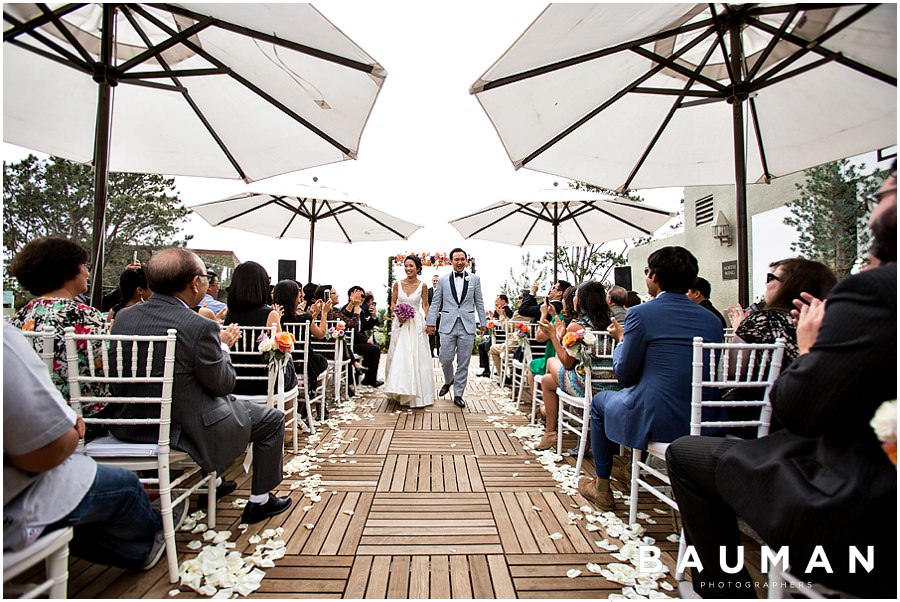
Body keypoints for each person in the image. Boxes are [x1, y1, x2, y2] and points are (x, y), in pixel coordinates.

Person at [665, 164, 897, 598]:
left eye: (885, 192)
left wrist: (811, 348)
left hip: (860, 508)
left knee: (685, 453)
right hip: (790, 435)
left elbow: (797, 410)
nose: (872, 209)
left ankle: (725, 590)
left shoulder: (868, 295)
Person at [110, 248, 292, 524]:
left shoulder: (124, 318)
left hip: (130, 424)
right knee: (273, 419)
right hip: (183, 428)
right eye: (206, 277)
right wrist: (223, 347)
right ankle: (260, 500)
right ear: (195, 283)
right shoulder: (198, 325)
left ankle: (216, 483)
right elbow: (224, 384)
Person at [3, 322, 177, 571]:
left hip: (85, 415)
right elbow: (44, 452)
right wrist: (72, 428)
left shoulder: (22, 318)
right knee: (126, 486)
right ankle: (156, 529)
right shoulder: (85, 320)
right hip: (23, 490)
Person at [578, 246, 723, 509]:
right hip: (706, 422)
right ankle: (628, 466)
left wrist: (621, 340)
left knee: (599, 404)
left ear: (654, 277)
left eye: (647, 271)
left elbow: (624, 374)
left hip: (657, 418)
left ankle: (601, 487)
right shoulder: (712, 321)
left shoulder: (641, 314)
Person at [9, 237, 108, 417]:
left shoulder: (21, 316)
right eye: (84, 265)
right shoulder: (85, 315)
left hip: (31, 413)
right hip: (81, 415)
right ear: (68, 270)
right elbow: (105, 370)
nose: (87, 272)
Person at [534, 281, 612, 450]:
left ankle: (549, 427)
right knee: (548, 380)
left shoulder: (577, 326)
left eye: (576, 296)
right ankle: (549, 429)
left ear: (582, 300)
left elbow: (568, 364)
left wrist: (554, 336)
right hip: (613, 386)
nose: (573, 299)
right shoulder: (612, 325)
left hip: (587, 386)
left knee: (550, 362)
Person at [727, 258, 836, 367]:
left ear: (790, 286)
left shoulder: (764, 321)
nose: (766, 283)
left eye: (771, 278)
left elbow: (732, 370)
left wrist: (742, 330)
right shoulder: (833, 323)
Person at [223, 262, 298, 397]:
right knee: (289, 365)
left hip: (233, 383)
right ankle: (287, 416)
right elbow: (284, 351)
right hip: (265, 384)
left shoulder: (228, 315)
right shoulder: (270, 314)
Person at [426, 248, 485, 408]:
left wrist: (483, 322)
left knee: (463, 362)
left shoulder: (475, 279)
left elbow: (479, 302)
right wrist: (430, 322)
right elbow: (435, 303)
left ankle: (458, 394)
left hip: (467, 325)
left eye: (462, 259)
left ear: (466, 260)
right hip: (447, 325)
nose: (459, 262)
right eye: (456, 259)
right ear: (451, 261)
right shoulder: (443, 280)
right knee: (444, 358)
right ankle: (448, 379)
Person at [384, 255, 435, 407]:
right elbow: (393, 302)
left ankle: (418, 393)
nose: (408, 269)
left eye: (411, 266)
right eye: (406, 266)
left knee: (415, 356)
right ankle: (397, 389)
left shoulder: (423, 286)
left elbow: (425, 306)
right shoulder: (397, 284)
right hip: (400, 323)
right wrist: (398, 312)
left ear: (418, 268)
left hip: (416, 324)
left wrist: (429, 322)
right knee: (398, 354)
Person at [273, 279, 329, 384]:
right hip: (304, 361)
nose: (300, 293)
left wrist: (314, 314)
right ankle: (316, 394)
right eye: (298, 291)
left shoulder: (274, 315)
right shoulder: (304, 317)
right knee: (323, 362)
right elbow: (321, 334)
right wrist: (324, 312)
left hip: (281, 359)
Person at [339, 285, 384, 388]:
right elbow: (351, 329)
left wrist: (373, 316)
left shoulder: (361, 310)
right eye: (361, 295)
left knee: (374, 348)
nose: (362, 298)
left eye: (363, 296)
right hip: (350, 343)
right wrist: (366, 339)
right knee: (374, 349)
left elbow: (365, 327)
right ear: (351, 295)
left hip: (358, 341)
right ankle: (370, 379)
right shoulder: (348, 309)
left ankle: (368, 378)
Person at [478, 294, 513, 377]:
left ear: (503, 301)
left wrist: (492, 319)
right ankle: (488, 370)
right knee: (482, 345)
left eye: (497, 301)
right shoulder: (506, 310)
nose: (495, 302)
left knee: (482, 346)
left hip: (500, 338)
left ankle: (487, 370)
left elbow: (497, 323)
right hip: (501, 337)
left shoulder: (503, 310)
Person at [427, 274, 441, 357]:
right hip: (431, 317)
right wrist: (432, 314)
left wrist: (440, 313)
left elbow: (445, 303)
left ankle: (440, 353)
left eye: (437, 281)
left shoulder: (443, 291)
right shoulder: (428, 291)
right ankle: (431, 353)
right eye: (434, 280)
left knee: (440, 335)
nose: (435, 282)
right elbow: (426, 304)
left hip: (441, 317)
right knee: (431, 335)